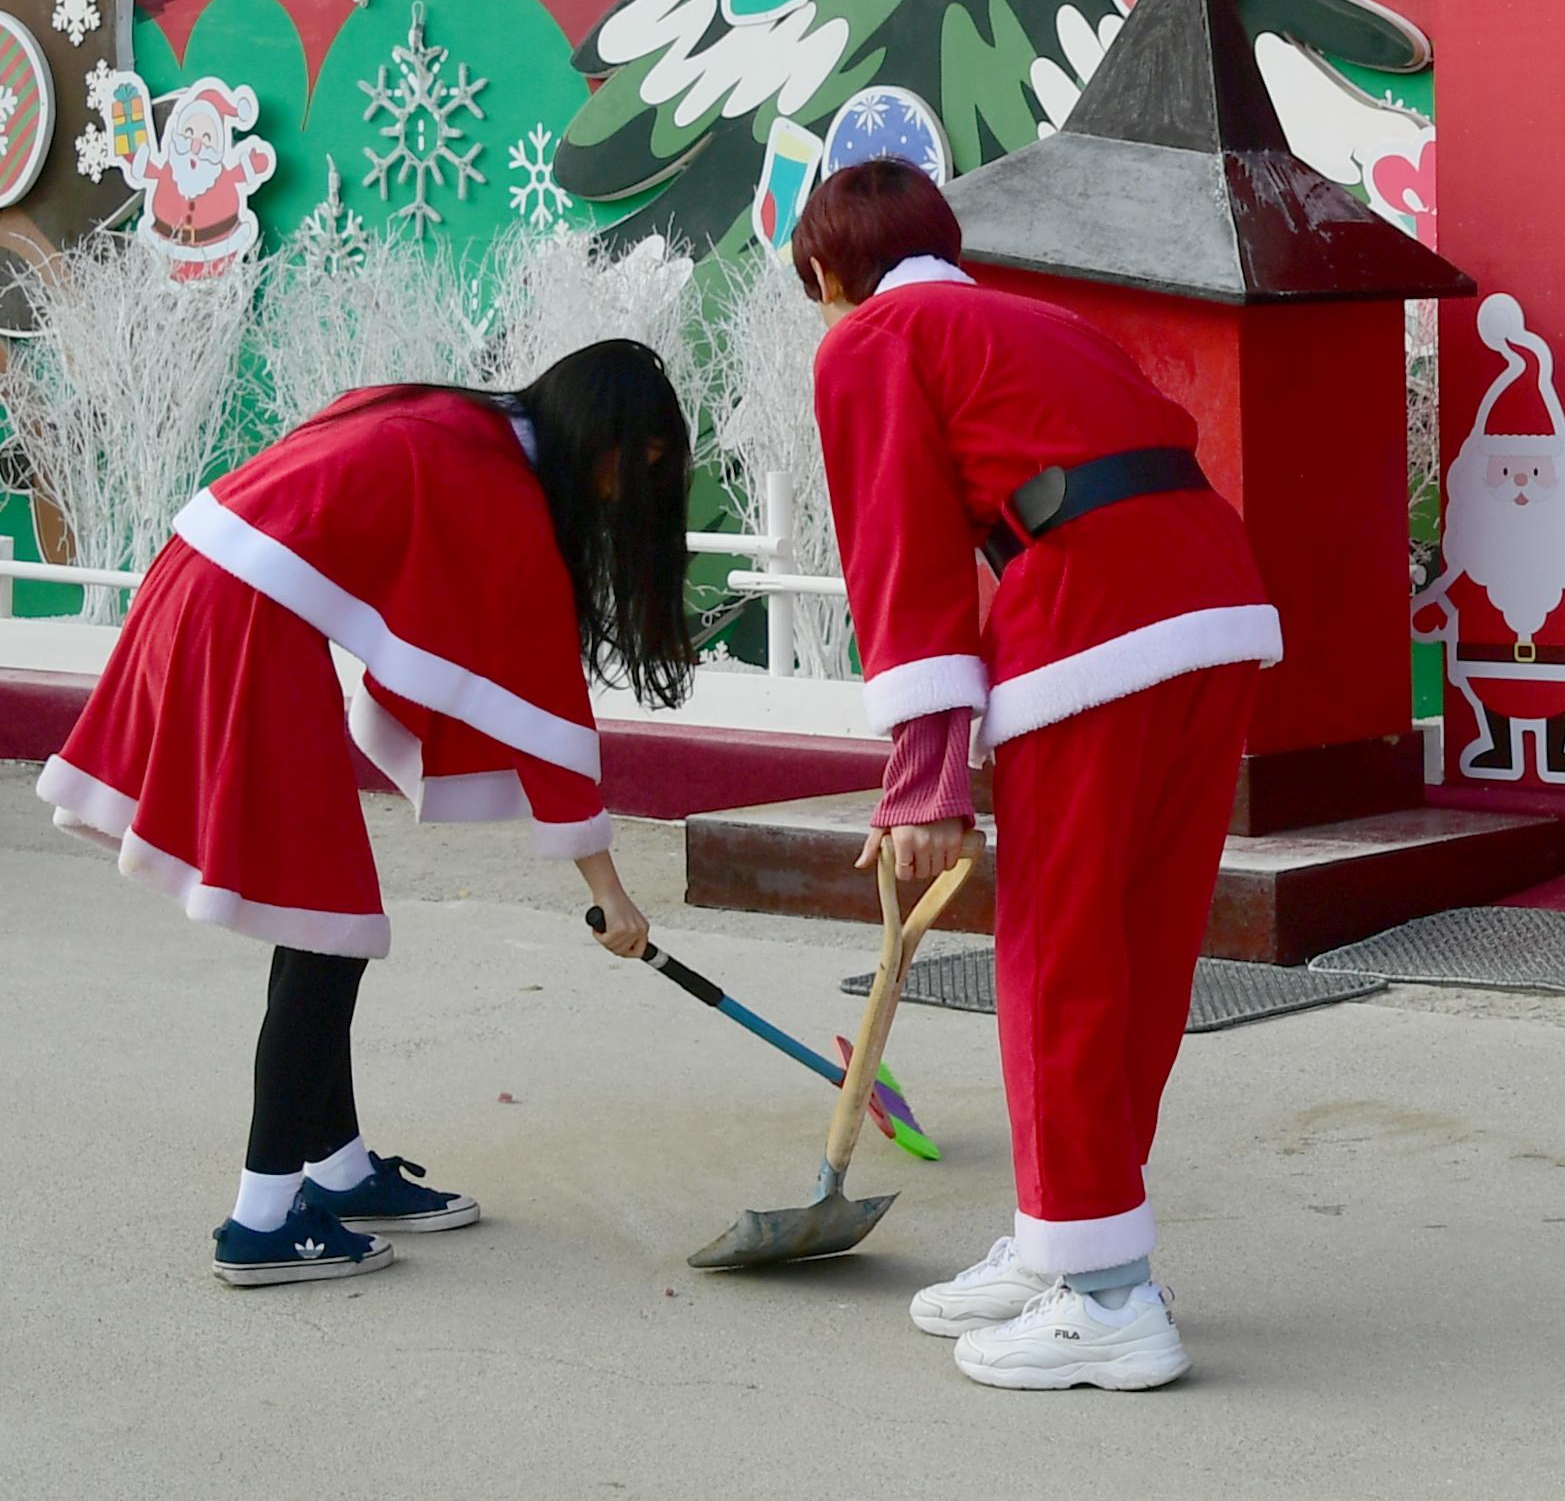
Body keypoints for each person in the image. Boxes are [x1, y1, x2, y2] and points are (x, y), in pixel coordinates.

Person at [38, 345, 697, 1287]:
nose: (629, 490)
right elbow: (546, 706)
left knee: (328, 918)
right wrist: (611, 894)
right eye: (643, 464)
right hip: (242, 618)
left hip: (208, 585)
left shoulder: (453, 422)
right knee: (326, 924)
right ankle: (262, 1219)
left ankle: (337, 1171)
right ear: (607, 438)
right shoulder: (499, 487)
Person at [798, 160, 1281, 1393]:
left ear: (825, 271)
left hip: (1093, 619)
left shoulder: (872, 336)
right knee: (1138, 938)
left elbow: (900, 556)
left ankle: (1110, 1296)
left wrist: (922, 782)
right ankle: (1067, 1236)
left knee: (1057, 951)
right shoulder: (1036, 317)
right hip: (1217, 601)